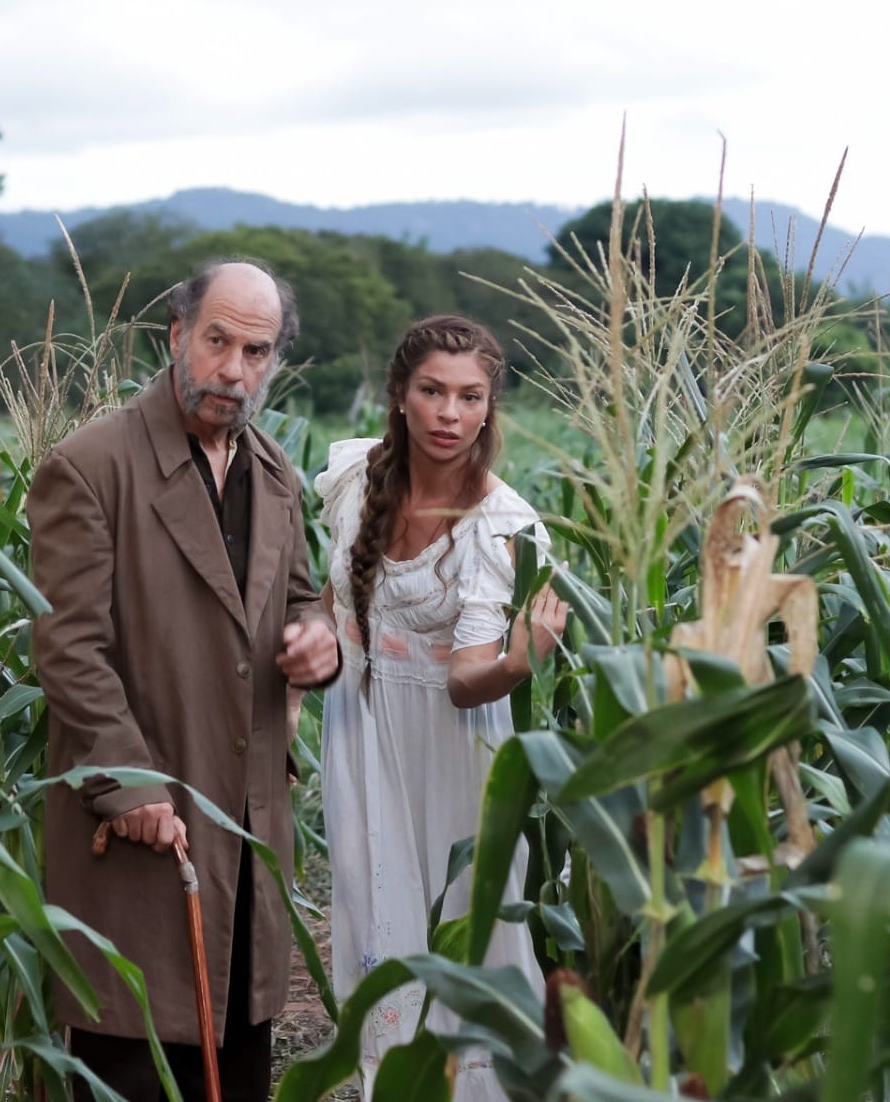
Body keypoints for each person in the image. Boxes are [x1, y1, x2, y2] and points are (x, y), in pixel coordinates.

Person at [28, 260, 342, 1102]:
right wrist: (126, 781)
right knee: (137, 1055)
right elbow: (68, 645)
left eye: (255, 351)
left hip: (246, 829)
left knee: (236, 1066)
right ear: (177, 335)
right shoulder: (91, 466)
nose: (232, 369)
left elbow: (298, 596)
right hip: (145, 827)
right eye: (217, 341)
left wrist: (318, 639)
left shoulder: (272, 472)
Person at [313, 315, 568, 1100]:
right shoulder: (356, 479)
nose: (450, 413)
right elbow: (333, 605)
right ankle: (392, 1083)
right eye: (432, 391)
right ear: (400, 394)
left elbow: (464, 680)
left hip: (455, 746)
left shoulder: (500, 525)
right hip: (361, 727)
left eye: (470, 396)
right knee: (371, 908)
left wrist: (520, 663)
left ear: (490, 408)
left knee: (467, 924)